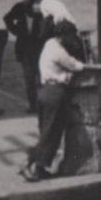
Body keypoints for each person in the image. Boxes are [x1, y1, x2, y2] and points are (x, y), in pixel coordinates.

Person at [20, 18, 87, 182]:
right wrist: (97, 67)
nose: (72, 40)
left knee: (47, 131)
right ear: (64, 36)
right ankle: (30, 163)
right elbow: (75, 65)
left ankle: (41, 167)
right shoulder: (58, 50)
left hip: (43, 92)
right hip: (55, 93)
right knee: (51, 132)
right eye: (71, 36)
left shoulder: (49, 44)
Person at [3, 0, 43, 114]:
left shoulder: (40, 6)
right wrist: (17, 32)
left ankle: (39, 104)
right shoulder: (21, 7)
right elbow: (7, 19)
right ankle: (34, 105)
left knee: (35, 76)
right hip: (28, 46)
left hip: (37, 45)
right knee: (31, 77)